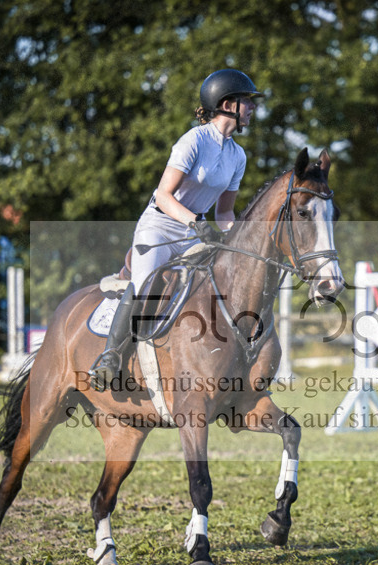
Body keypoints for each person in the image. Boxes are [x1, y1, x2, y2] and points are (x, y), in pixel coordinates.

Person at [90, 68, 264, 388]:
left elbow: (224, 211)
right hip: (160, 227)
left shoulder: (238, 155)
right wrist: (197, 223)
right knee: (145, 286)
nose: (253, 108)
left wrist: (239, 239)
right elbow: (163, 195)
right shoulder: (193, 140)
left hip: (194, 233)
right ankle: (109, 356)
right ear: (227, 104)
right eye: (247, 101)